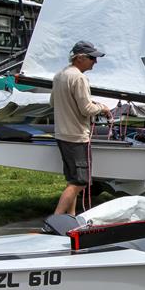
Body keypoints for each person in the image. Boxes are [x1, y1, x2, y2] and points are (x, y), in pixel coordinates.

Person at [50, 40, 112, 216]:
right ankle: (55, 219)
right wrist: (102, 107)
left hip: (62, 135)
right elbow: (86, 109)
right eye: (92, 58)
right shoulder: (79, 78)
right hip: (77, 137)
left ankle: (71, 217)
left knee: (72, 180)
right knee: (81, 182)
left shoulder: (60, 75)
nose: (95, 62)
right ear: (80, 58)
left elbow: (52, 102)